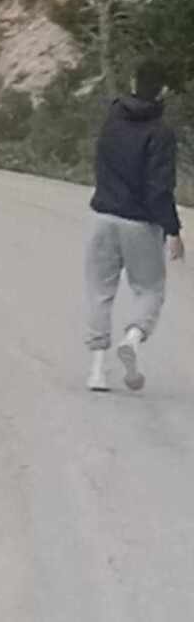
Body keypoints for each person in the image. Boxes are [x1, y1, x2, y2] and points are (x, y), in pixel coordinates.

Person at [86, 59, 185, 393]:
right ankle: (133, 336)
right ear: (163, 92)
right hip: (140, 223)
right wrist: (172, 229)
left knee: (100, 291)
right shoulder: (162, 133)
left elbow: (99, 159)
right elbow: (159, 188)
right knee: (150, 289)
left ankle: (97, 370)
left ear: (132, 81)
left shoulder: (112, 117)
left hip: (103, 214)